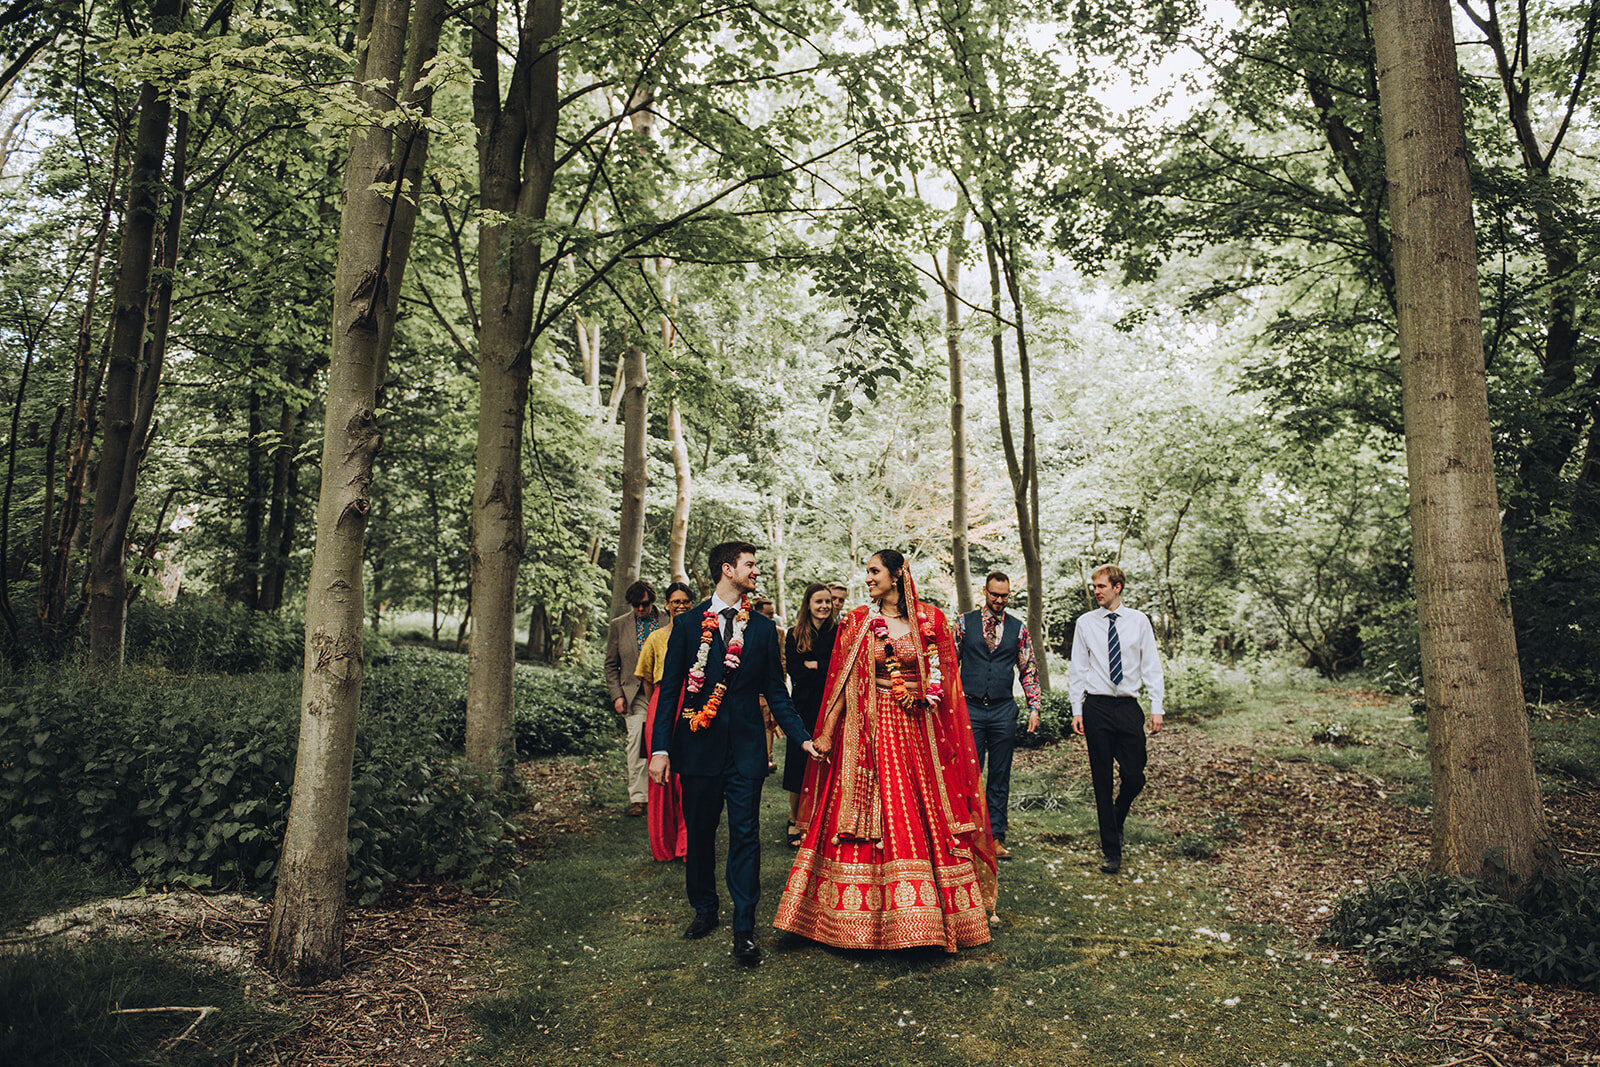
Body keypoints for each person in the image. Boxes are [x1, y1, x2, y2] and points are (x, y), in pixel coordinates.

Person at [774, 550, 997, 953]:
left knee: (917, 811)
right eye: (867, 572)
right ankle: (844, 921)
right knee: (872, 814)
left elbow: (946, 685)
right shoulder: (858, 622)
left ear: (897, 576)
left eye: (875, 571)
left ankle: (927, 919)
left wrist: (933, 714)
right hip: (869, 733)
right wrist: (825, 732)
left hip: (918, 732)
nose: (869, 578)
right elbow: (842, 683)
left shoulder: (931, 621)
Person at [650, 542, 820, 966]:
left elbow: (776, 693)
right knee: (702, 834)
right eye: (750, 565)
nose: (756, 571)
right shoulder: (688, 626)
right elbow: (669, 690)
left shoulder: (762, 630)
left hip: (746, 751)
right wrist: (660, 748)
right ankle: (705, 909)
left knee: (746, 838)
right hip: (697, 749)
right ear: (728, 570)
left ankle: (744, 927)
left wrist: (801, 737)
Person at [1069, 564, 1165, 874]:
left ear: (1117, 587)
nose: (1096, 591)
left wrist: (1157, 706)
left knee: (1135, 776)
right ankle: (1111, 851)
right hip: (1096, 707)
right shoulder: (1085, 623)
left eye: (1101, 586)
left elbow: (1151, 664)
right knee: (1101, 780)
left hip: (1127, 707)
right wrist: (1077, 709)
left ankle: (1117, 815)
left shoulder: (1139, 622)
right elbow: (1078, 668)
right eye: (1094, 586)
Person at [953, 571, 1042, 860]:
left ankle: (996, 838)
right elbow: (949, 665)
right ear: (985, 591)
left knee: (1000, 777)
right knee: (969, 775)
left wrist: (1034, 707)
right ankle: (966, 836)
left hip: (1004, 709)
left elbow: (1028, 670)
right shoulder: (964, 623)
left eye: (1004, 596)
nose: (999, 600)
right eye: (994, 594)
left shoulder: (1019, 629)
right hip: (971, 709)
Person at [636, 581, 695, 861]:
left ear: (691, 605)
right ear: (667, 605)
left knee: (687, 775)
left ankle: (686, 843)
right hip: (662, 703)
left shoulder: (701, 635)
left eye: (685, 601)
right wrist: (657, 708)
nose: (680, 606)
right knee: (661, 775)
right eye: (676, 601)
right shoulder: (656, 638)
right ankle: (664, 843)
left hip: (692, 703)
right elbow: (647, 678)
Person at [782, 583, 837, 847]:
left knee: (828, 762)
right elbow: (796, 671)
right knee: (798, 763)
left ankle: (822, 821)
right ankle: (794, 819)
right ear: (809, 604)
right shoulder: (794, 634)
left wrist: (817, 665)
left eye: (828, 601)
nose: (825, 606)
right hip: (803, 706)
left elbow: (840, 669)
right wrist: (821, 669)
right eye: (819, 602)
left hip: (831, 707)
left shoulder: (838, 633)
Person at [604, 580, 659, 816]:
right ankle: (639, 798)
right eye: (635, 605)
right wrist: (617, 695)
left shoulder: (669, 620)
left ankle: (664, 796)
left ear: (652, 601)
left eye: (644, 604)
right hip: (634, 694)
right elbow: (610, 665)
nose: (640, 609)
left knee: (663, 743)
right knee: (636, 742)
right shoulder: (619, 625)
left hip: (662, 691)